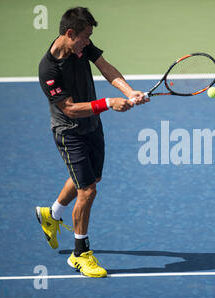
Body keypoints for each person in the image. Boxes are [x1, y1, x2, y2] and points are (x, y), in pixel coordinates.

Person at [36, 7, 148, 278]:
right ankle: (80, 254)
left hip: (92, 126)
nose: (88, 42)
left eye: (90, 37)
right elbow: (70, 109)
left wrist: (128, 91)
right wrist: (109, 103)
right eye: (85, 36)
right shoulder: (49, 69)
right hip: (69, 131)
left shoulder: (81, 46)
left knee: (89, 179)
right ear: (70, 33)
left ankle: (51, 213)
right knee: (87, 190)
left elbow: (106, 68)